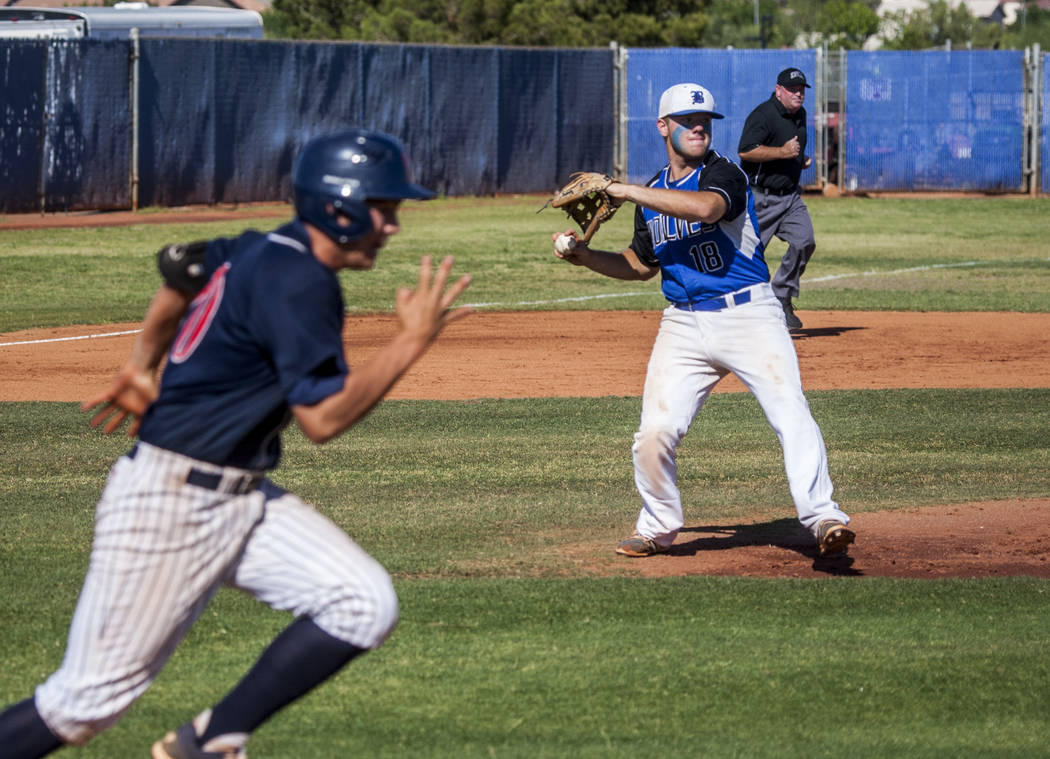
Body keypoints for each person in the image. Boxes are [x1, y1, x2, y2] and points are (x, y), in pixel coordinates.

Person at [0, 129, 472, 759]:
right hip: (170, 506)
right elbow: (322, 419)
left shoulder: (258, 246)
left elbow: (179, 268)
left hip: (238, 496)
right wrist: (410, 342)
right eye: (385, 210)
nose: (392, 227)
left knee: (361, 603)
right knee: (82, 706)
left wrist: (144, 363)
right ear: (342, 208)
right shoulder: (302, 282)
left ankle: (209, 740)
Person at [551, 82, 854, 560]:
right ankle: (657, 526)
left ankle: (824, 517)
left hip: (749, 315)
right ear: (663, 127)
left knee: (790, 413)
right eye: (689, 120)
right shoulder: (650, 193)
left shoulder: (725, 173)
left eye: (706, 121)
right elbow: (640, 264)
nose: (699, 127)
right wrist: (585, 257)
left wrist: (623, 190)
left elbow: (707, 208)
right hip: (683, 325)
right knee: (654, 432)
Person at [737, 66, 815, 330]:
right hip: (762, 199)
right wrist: (782, 152)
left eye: (802, 89)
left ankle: (781, 296)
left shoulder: (800, 114)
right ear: (778, 90)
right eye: (792, 89)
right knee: (748, 257)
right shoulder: (763, 115)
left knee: (805, 241)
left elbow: (793, 147)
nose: (798, 94)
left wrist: (799, 159)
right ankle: (737, 312)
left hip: (790, 197)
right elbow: (746, 152)